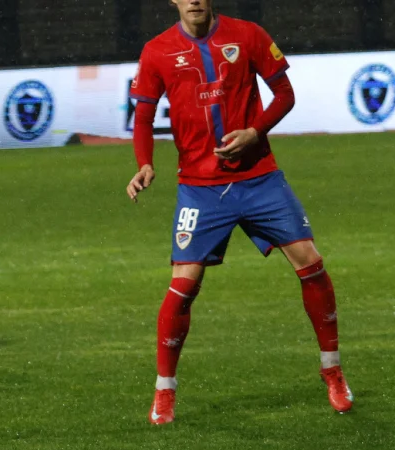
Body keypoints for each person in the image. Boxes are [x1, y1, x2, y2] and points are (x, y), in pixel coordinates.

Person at [127, 0, 352, 424]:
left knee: (312, 264)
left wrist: (255, 132)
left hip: (260, 179)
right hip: (199, 190)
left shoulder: (247, 34)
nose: (194, 0)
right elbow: (142, 116)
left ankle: (333, 371)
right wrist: (144, 162)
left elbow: (284, 94)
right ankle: (164, 391)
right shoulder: (157, 51)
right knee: (182, 286)